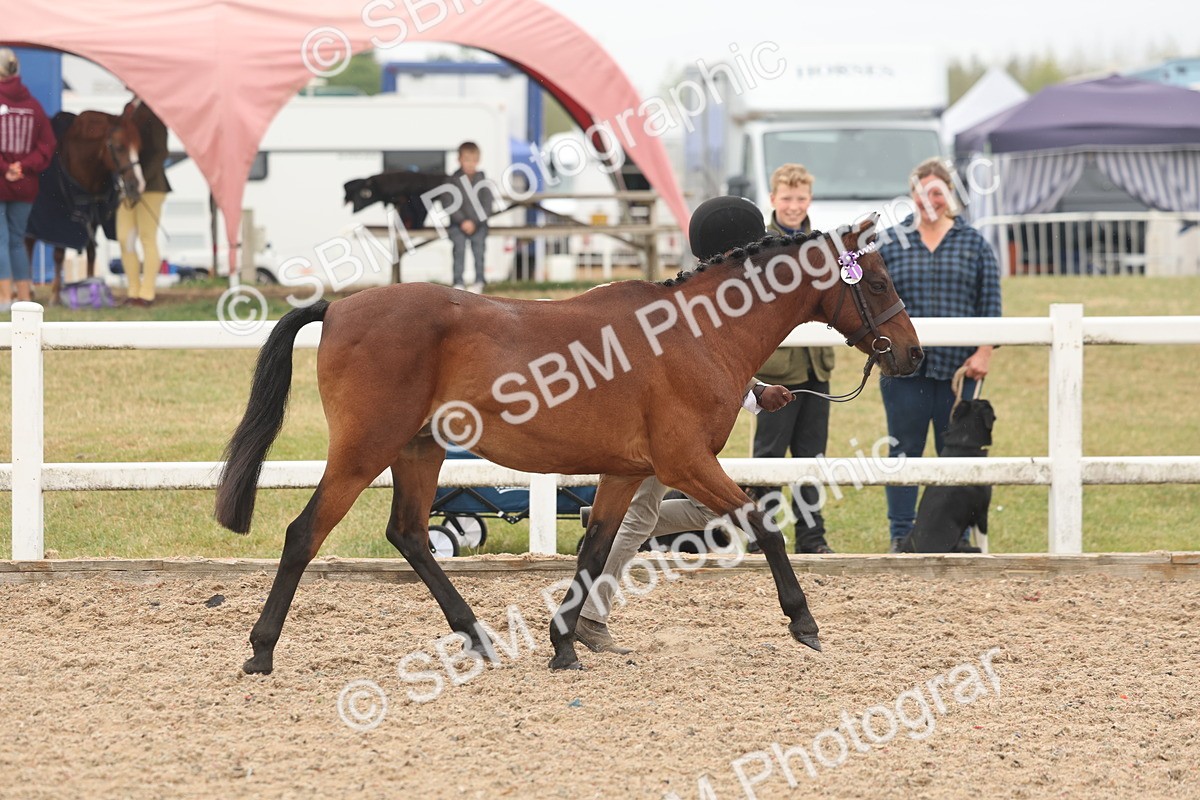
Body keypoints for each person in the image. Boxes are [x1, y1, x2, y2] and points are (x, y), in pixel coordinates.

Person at [574, 195, 798, 655]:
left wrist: (754, 393)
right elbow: (694, 367)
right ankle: (589, 613)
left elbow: (712, 366)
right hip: (661, 427)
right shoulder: (703, 297)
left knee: (698, 512)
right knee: (642, 518)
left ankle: (598, 538)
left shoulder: (706, 292)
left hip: (674, 423)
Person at [877, 157, 1001, 553]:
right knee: (903, 451)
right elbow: (872, 302)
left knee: (957, 453)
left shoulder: (974, 242)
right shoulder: (891, 242)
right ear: (911, 195)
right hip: (904, 371)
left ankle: (956, 535)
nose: (930, 200)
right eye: (922, 192)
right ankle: (901, 534)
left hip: (958, 368)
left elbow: (991, 302)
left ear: (950, 196)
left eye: (938, 192)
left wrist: (984, 351)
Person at [749, 164, 836, 554]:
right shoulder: (761, 246)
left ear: (809, 200)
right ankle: (762, 536)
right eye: (787, 198)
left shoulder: (823, 243)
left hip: (816, 367)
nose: (794, 206)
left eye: (801, 199)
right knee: (768, 458)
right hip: (777, 372)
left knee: (812, 457)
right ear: (773, 200)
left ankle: (811, 536)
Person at [0, 48, 56, 311]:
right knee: (16, 239)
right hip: (26, 184)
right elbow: (47, 144)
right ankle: (23, 298)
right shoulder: (33, 105)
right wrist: (23, 165)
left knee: (1, 239)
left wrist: (6, 167)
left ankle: (3, 298)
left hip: (2, 181)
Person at [118, 96, 171, 307]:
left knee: (147, 238)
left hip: (152, 185)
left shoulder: (155, 111)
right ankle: (133, 291)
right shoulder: (128, 108)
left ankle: (146, 293)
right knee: (125, 238)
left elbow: (161, 151)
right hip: (128, 186)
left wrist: (142, 179)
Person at [446, 141, 496, 292]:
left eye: (473, 160)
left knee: (479, 251)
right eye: (467, 160)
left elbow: (487, 206)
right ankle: (458, 282)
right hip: (457, 225)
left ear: (478, 161)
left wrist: (474, 221)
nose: (470, 164)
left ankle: (479, 281)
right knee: (459, 250)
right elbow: (448, 203)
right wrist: (462, 221)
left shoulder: (484, 182)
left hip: (479, 225)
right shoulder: (451, 181)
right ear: (459, 160)